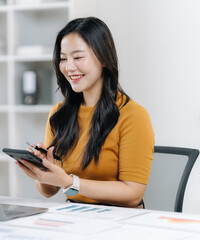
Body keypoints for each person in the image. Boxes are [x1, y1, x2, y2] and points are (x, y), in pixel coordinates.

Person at [15, 17, 155, 208]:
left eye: (78, 57)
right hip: (77, 217)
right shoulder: (59, 114)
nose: (69, 67)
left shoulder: (132, 115)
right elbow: (48, 191)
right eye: (63, 59)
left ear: (104, 58)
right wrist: (43, 171)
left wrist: (70, 183)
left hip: (121, 222)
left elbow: (133, 193)